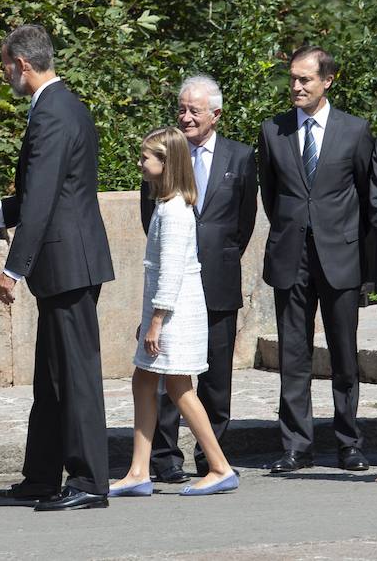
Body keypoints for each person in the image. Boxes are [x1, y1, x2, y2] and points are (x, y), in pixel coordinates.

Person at [0, 24, 116, 511]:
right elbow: (41, 193)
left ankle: (88, 482)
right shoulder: (61, 105)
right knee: (51, 375)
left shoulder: (52, 113)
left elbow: (43, 198)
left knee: (77, 374)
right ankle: (41, 476)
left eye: (5, 66)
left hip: (68, 261)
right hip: (67, 261)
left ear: (23, 64)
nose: (5, 75)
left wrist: (13, 269)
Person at [258, 45, 374, 473]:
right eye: (292, 78)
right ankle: (296, 446)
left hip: (340, 256)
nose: (296, 86)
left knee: (344, 354)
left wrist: (358, 256)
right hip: (291, 256)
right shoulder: (274, 130)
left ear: (327, 81)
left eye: (305, 79)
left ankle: (349, 443)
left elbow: (366, 197)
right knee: (293, 354)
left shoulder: (355, 130)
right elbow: (271, 196)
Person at [140, 75, 258, 482]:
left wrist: (217, 258)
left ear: (216, 114)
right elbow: (149, 217)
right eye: (182, 108)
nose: (186, 117)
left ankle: (212, 459)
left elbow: (243, 223)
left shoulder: (240, 157)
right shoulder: (167, 153)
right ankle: (164, 459)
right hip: (174, 284)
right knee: (169, 374)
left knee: (216, 379)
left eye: (194, 110)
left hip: (219, 280)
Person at [111, 127, 239, 497]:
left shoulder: (175, 211)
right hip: (168, 313)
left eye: (146, 157)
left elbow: (170, 273)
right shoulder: (169, 206)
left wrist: (154, 322)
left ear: (165, 163)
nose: (140, 163)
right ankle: (139, 470)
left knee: (180, 388)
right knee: (144, 381)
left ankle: (219, 466)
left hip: (175, 316)